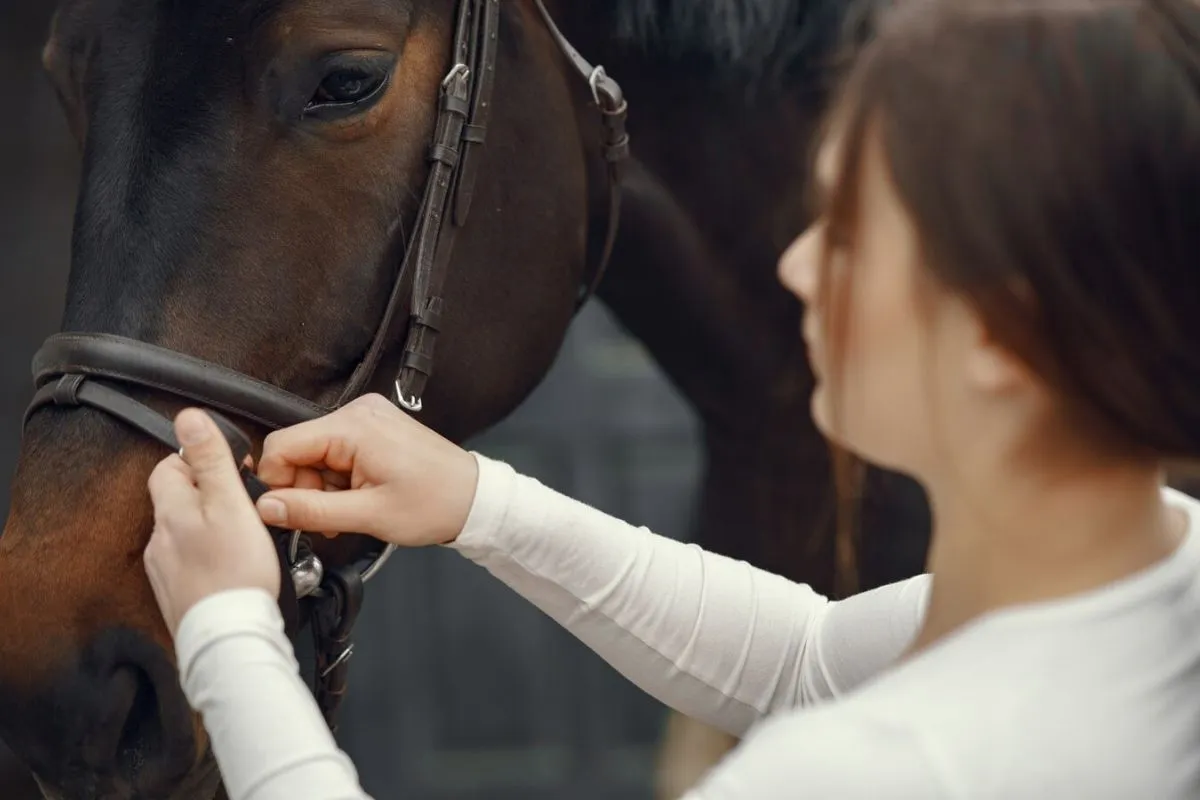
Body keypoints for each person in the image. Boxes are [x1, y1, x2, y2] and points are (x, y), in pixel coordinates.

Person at [144, 0, 1200, 797]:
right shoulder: (1166, 579)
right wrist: (481, 503)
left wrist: (226, 634)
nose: (794, 266)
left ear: (999, 337)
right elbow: (810, 655)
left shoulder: (868, 770)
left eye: (846, 232)